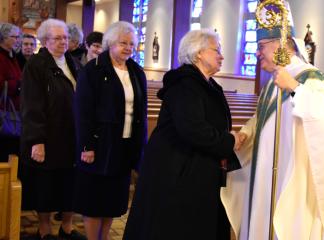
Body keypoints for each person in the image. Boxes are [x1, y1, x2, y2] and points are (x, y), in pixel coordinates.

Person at [221, 4, 324, 240]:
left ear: (280, 45)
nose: (257, 53)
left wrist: (295, 89)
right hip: (265, 174)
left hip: (292, 178)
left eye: (261, 46)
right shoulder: (273, 82)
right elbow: (262, 117)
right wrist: (247, 133)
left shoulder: (309, 78)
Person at [123, 29, 241, 240]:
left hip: (195, 168)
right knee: (175, 228)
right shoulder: (185, 84)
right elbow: (193, 129)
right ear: (198, 54)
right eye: (217, 50)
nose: (222, 56)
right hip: (177, 172)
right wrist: (229, 140)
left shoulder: (206, 83)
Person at [74, 21, 147, 240]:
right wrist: (87, 145)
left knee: (113, 200)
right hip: (99, 144)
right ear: (110, 43)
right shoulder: (93, 69)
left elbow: (140, 112)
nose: (128, 48)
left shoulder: (136, 71)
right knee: (95, 200)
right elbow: (83, 111)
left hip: (124, 145)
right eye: (123, 43)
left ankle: (103, 238)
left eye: (132, 44)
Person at [20, 19, 86, 240]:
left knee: (70, 183)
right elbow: (32, 104)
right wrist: (37, 140)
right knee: (46, 185)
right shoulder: (37, 65)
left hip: (72, 137)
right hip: (48, 136)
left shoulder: (73, 63)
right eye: (57, 38)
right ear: (45, 40)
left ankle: (66, 227)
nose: (63, 42)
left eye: (66, 38)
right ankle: (44, 229)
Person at [0, 22, 21, 162]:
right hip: (4, 112)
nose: (17, 40)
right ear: (4, 38)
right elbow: (2, 85)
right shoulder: (2, 57)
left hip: (13, 110)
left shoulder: (12, 55)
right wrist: (19, 85)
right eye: (14, 37)